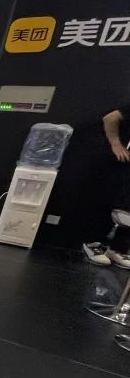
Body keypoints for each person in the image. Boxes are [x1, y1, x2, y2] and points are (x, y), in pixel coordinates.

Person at [80, 105, 130, 266]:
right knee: (109, 200)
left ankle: (117, 249)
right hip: (115, 160)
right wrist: (116, 144)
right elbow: (110, 118)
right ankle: (92, 243)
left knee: (127, 207)